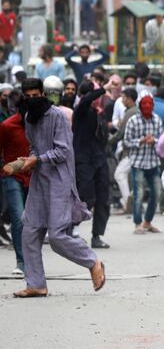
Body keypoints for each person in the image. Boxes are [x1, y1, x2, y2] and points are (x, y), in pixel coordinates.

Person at [8, 78, 105, 297]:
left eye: (36, 95)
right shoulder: (28, 117)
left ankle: (93, 262)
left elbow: (62, 152)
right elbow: (34, 147)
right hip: (39, 181)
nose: (32, 100)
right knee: (30, 232)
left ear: (43, 94)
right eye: (28, 97)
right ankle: (36, 284)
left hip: (59, 181)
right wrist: (28, 159)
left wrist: (37, 160)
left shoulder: (59, 117)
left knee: (57, 237)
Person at [73, 81, 112, 249]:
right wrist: (105, 87)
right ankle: (72, 229)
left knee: (103, 199)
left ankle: (97, 236)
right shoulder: (80, 110)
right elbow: (86, 100)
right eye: (95, 94)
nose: (98, 98)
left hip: (99, 159)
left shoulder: (98, 113)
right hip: (83, 159)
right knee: (86, 197)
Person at [123, 95, 164, 235]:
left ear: (153, 105)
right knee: (138, 194)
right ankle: (138, 223)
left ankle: (147, 222)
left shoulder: (157, 120)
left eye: (149, 103)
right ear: (140, 105)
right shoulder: (133, 121)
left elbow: (162, 140)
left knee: (157, 193)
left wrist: (155, 140)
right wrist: (140, 141)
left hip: (153, 161)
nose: (147, 106)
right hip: (138, 162)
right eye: (144, 103)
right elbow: (126, 141)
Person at [0, 90, 29, 275]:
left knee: (32, 221)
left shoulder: (39, 126)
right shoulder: (7, 126)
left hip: (34, 178)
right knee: (18, 219)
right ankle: (21, 261)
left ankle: (31, 258)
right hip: (12, 178)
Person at [109, 87, 138, 214]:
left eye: (124, 97)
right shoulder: (133, 111)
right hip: (135, 149)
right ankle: (129, 202)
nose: (122, 100)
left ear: (130, 99)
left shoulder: (130, 112)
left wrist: (108, 141)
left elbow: (121, 133)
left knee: (119, 174)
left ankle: (128, 203)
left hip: (132, 150)